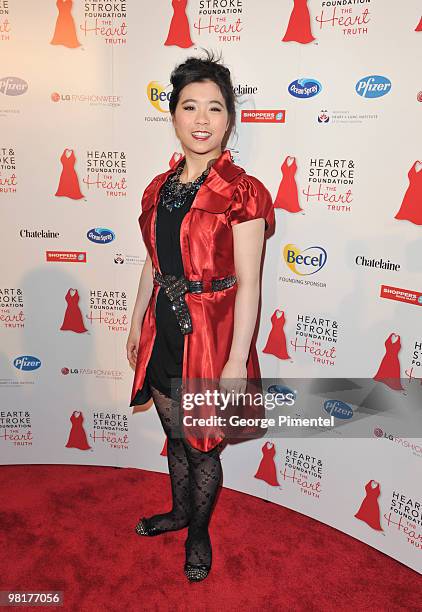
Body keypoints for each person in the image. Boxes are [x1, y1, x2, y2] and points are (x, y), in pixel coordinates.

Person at [126, 51, 275, 582]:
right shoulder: (159, 188)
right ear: (173, 117)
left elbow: (251, 283)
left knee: (201, 442)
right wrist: (135, 318)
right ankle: (179, 511)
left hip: (211, 335)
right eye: (190, 107)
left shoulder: (242, 193)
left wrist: (237, 359)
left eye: (215, 107)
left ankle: (198, 533)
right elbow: (154, 259)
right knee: (174, 434)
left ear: (230, 119)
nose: (202, 119)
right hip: (164, 328)